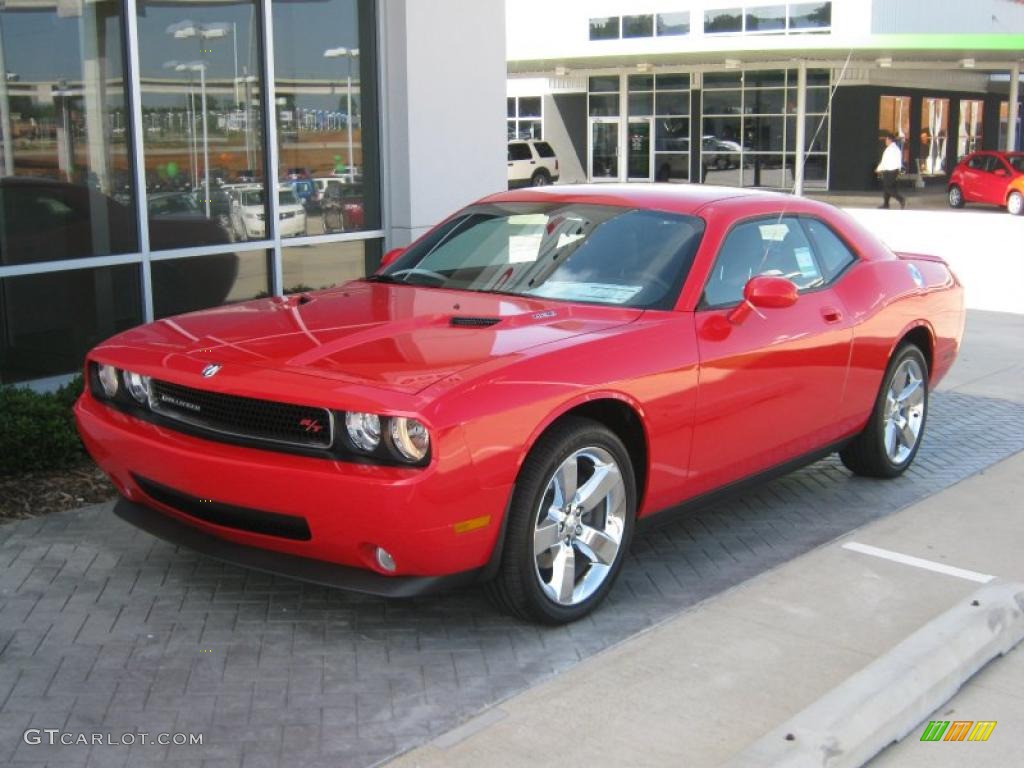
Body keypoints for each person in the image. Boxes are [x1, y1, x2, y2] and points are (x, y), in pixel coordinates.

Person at [875, 133, 906, 209]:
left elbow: (885, 161)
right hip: (893, 170)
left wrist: (879, 168)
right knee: (888, 188)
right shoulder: (895, 149)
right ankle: (886, 204)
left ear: (889, 140)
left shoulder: (890, 149)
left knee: (887, 188)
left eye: (886, 139)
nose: (885, 141)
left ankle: (900, 199)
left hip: (890, 170)